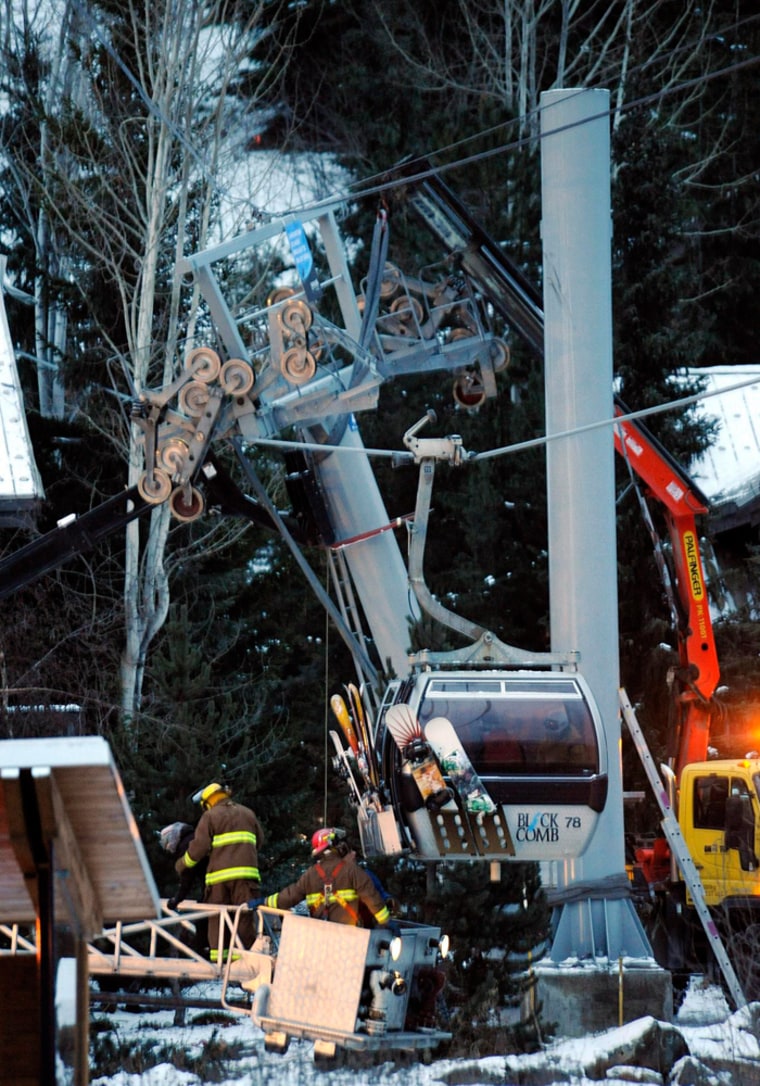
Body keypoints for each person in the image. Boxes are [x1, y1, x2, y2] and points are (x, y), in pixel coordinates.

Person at [175, 782, 264, 959]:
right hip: (247, 878)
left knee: (217, 918)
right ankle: (247, 959)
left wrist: (181, 864)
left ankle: (219, 962)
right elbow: (259, 842)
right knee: (244, 918)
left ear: (208, 802)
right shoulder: (248, 814)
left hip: (219, 881)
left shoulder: (210, 816)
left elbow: (198, 849)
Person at [251, 826, 393, 927]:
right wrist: (386, 922)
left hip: (320, 939)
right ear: (336, 846)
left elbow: (287, 897)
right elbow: (372, 898)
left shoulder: (310, 874)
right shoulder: (352, 871)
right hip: (351, 939)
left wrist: (263, 902)